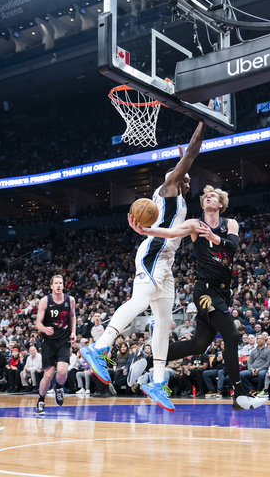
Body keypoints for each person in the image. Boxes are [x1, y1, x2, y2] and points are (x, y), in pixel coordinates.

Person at [80, 118, 209, 412]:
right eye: (180, 174)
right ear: (175, 177)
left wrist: (182, 161)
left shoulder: (178, 199)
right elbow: (191, 154)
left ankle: (158, 381)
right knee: (139, 300)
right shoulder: (169, 187)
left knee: (164, 322)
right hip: (153, 251)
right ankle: (99, 346)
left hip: (167, 261)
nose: (184, 176)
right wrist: (203, 123)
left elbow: (184, 164)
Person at [131, 185, 267, 411]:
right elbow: (172, 232)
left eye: (213, 196)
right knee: (232, 335)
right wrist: (148, 232)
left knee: (199, 344)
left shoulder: (230, 223)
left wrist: (214, 237)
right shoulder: (195, 224)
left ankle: (147, 359)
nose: (208, 198)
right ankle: (240, 395)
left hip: (223, 292)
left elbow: (232, 247)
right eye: (205, 196)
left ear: (220, 204)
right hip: (204, 290)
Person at [35, 274, 76, 415]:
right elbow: (37, 323)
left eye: (61, 283)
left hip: (64, 341)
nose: (58, 285)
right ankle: (41, 400)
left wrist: (74, 332)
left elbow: (72, 316)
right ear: (51, 286)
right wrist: (44, 329)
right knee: (48, 375)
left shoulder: (70, 300)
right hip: (49, 342)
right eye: (56, 283)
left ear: (63, 285)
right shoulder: (45, 301)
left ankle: (59, 387)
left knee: (63, 370)